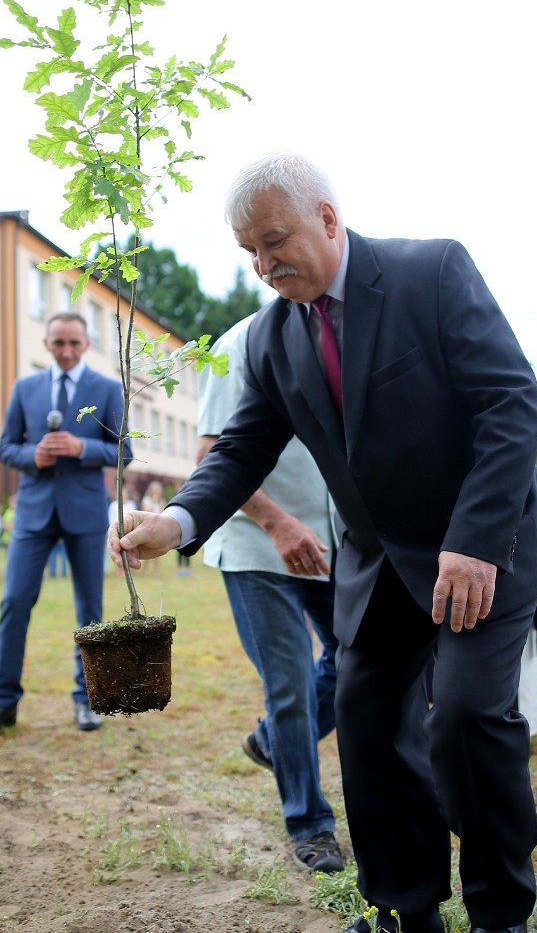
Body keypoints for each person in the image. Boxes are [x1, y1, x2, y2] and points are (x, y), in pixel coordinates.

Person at [108, 153, 537, 933]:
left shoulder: (433, 271)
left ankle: (500, 914)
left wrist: (473, 540)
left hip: (479, 550)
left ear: (327, 218)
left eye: (275, 240)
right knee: (365, 714)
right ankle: (407, 908)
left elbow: (512, 402)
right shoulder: (274, 337)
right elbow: (242, 449)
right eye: (248, 251)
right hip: (381, 567)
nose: (262, 263)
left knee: (469, 721)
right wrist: (174, 523)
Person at [197, 311, 341, 873]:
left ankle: (270, 742)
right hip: (259, 542)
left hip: (329, 541)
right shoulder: (240, 344)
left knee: (357, 662)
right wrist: (277, 524)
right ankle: (310, 823)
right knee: (291, 684)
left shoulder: (339, 334)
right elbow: (212, 454)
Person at [0, 312, 131, 737]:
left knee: (90, 611)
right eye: (59, 342)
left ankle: (86, 700)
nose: (66, 351)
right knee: (14, 603)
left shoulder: (108, 388)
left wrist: (83, 446)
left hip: (84, 512)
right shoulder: (25, 389)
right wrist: (32, 457)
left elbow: (124, 451)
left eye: (75, 343)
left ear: (86, 343)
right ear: (46, 343)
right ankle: (3, 704)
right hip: (33, 512)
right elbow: (5, 448)